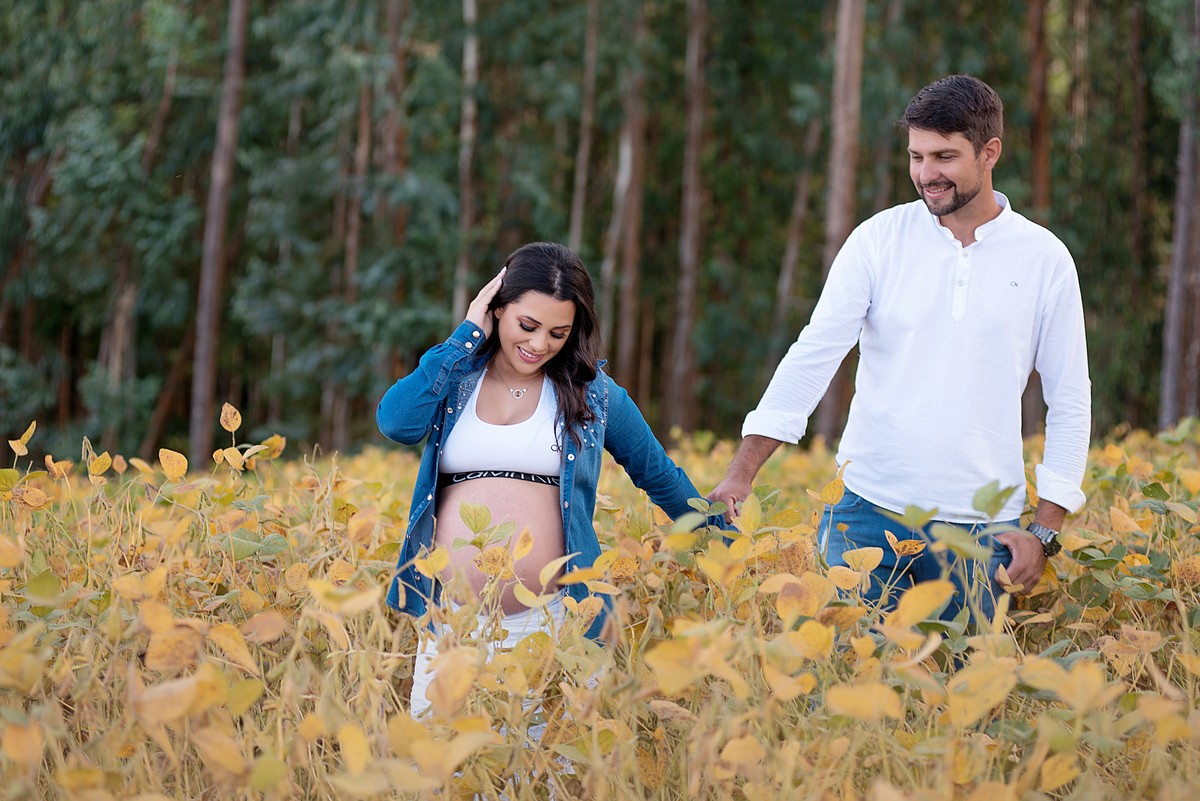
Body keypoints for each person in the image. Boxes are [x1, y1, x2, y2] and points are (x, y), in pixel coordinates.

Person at [709, 75, 1091, 623]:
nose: (926, 174)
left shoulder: (1045, 259)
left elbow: (1070, 400)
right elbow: (814, 355)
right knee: (850, 675)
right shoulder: (877, 240)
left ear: (989, 153)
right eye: (916, 156)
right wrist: (742, 471)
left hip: (983, 535)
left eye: (944, 156)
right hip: (863, 517)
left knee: (966, 681)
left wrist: (1045, 529)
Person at [378, 241, 726, 716]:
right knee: (438, 756)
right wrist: (465, 336)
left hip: (557, 622)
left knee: (549, 760)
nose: (540, 344)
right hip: (451, 624)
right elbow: (396, 423)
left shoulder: (594, 394)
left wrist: (726, 535)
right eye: (528, 325)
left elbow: (659, 476)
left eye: (558, 333)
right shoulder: (455, 378)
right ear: (496, 308)